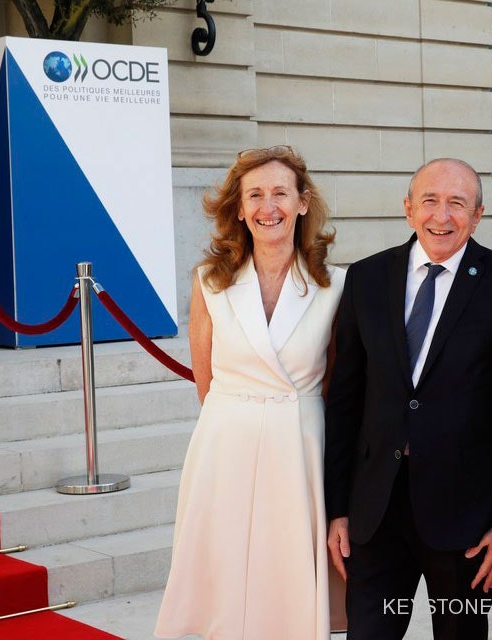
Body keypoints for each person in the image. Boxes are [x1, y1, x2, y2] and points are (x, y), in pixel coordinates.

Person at [324, 158, 492, 640]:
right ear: (408, 209)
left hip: (467, 517)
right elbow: (344, 400)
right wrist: (337, 508)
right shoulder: (365, 278)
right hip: (375, 511)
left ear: (478, 215)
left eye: (457, 203)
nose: (441, 216)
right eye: (430, 201)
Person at [155, 145, 346, 639]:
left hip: (300, 447)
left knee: (285, 584)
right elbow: (206, 381)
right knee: (223, 581)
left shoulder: (336, 286)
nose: (268, 207)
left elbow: (335, 382)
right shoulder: (209, 282)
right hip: (226, 446)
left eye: (280, 193)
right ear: (239, 209)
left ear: (302, 202)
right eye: (255, 195)